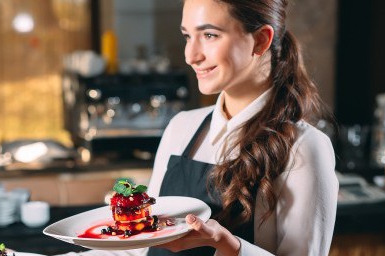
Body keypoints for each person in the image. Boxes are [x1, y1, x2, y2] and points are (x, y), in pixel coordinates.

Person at [59, 0, 338, 255]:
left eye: (209, 35)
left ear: (261, 40)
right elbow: (136, 247)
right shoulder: (182, 127)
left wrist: (229, 245)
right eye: (187, 36)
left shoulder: (305, 147)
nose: (191, 55)